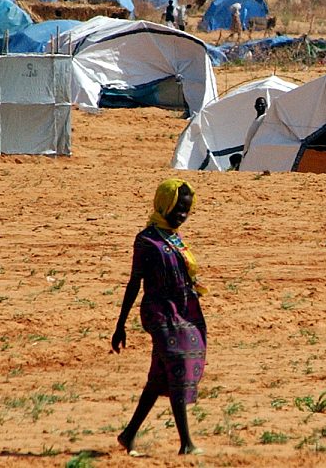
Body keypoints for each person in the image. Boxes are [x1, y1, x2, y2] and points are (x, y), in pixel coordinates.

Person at [112, 179, 207, 456]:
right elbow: (134, 283)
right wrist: (120, 326)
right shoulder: (146, 241)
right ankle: (186, 443)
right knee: (178, 364)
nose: (181, 215)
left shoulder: (174, 238)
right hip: (159, 313)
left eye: (186, 210)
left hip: (181, 311)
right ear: (164, 204)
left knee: (159, 377)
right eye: (177, 209)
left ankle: (128, 435)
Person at [239, 97, 268, 166]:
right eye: (258, 104)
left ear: (266, 105)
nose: (260, 106)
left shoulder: (265, 119)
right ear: (255, 106)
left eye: (262, 104)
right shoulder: (257, 120)